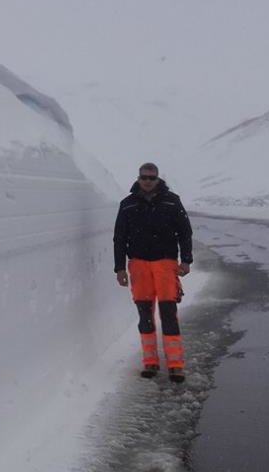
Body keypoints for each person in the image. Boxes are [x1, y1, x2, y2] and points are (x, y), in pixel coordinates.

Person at [113, 163, 193, 383]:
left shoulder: (171, 201)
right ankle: (150, 362)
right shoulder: (127, 204)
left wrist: (186, 260)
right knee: (145, 315)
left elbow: (185, 232)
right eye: (144, 177)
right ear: (138, 178)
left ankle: (176, 365)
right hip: (138, 266)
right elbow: (119, 238)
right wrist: (119, 267)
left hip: (165, 265)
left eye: (151, 177)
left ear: (158, 179)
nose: (147, 181)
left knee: (168, 313)